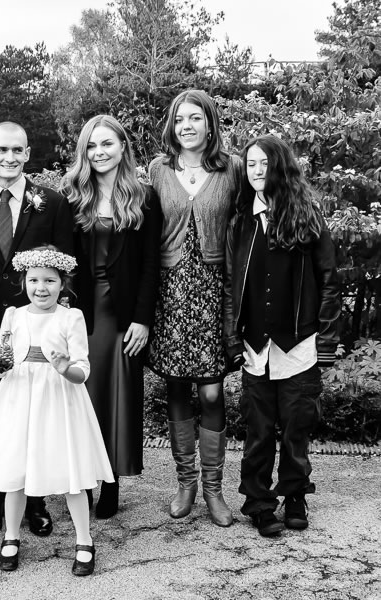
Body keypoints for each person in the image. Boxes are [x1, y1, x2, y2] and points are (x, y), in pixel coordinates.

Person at [0, 247, 113, 576]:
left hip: (59, 400)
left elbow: (82, 371)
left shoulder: (71, 317)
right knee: (15, 472)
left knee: (72, 473)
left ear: (63, 284)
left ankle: (84, 540)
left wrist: (64, 368)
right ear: (24, 282)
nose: (41, 287)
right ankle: (11, 537)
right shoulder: (13, 315)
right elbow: (4, 359)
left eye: (49, 280)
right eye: (33, 280)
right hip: (18, 399)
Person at [223, 135, 340, 536]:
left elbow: (329, 280)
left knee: (295, 428)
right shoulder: (240, 222)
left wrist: (326, 339)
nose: (257, 170)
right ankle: (258, 503)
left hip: (299, 345)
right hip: (256, 347)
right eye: (251, 164)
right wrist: (232, 339)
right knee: (258, 432)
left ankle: (294, 496)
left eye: (265, 163)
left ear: (280, 166)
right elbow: (230, 286)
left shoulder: (308, 216)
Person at [0, 121, 74, 537]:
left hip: (38, 327)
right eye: (1, 150)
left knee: (36, 416)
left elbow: (68, 266)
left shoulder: (53, 203)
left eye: (17, 150)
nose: (9, 158)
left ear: (27, 154)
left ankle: (36, 500)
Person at [61, 115, 163, 518]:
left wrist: (143, 319)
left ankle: (111, 481)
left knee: (116, 396)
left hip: (123, 315)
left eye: (107, 143)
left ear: (123, 146)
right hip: (83, 311)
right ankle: (83, 478)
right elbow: (64, 261)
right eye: (91, 145)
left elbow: (152, 263)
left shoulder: (144, 196)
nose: (99, 152)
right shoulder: (72, 197)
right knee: (84, 394)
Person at [146, 90, 239, 527]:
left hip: (213, 291)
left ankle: (214, 489)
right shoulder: (158, 169)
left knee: (212, 392)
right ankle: (185, 484)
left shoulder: (231, 169)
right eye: (180, 119)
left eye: (196, 118)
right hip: (171, 291)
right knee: (177, 388)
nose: (187, 126)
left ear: (209, 123)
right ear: (172, 125)